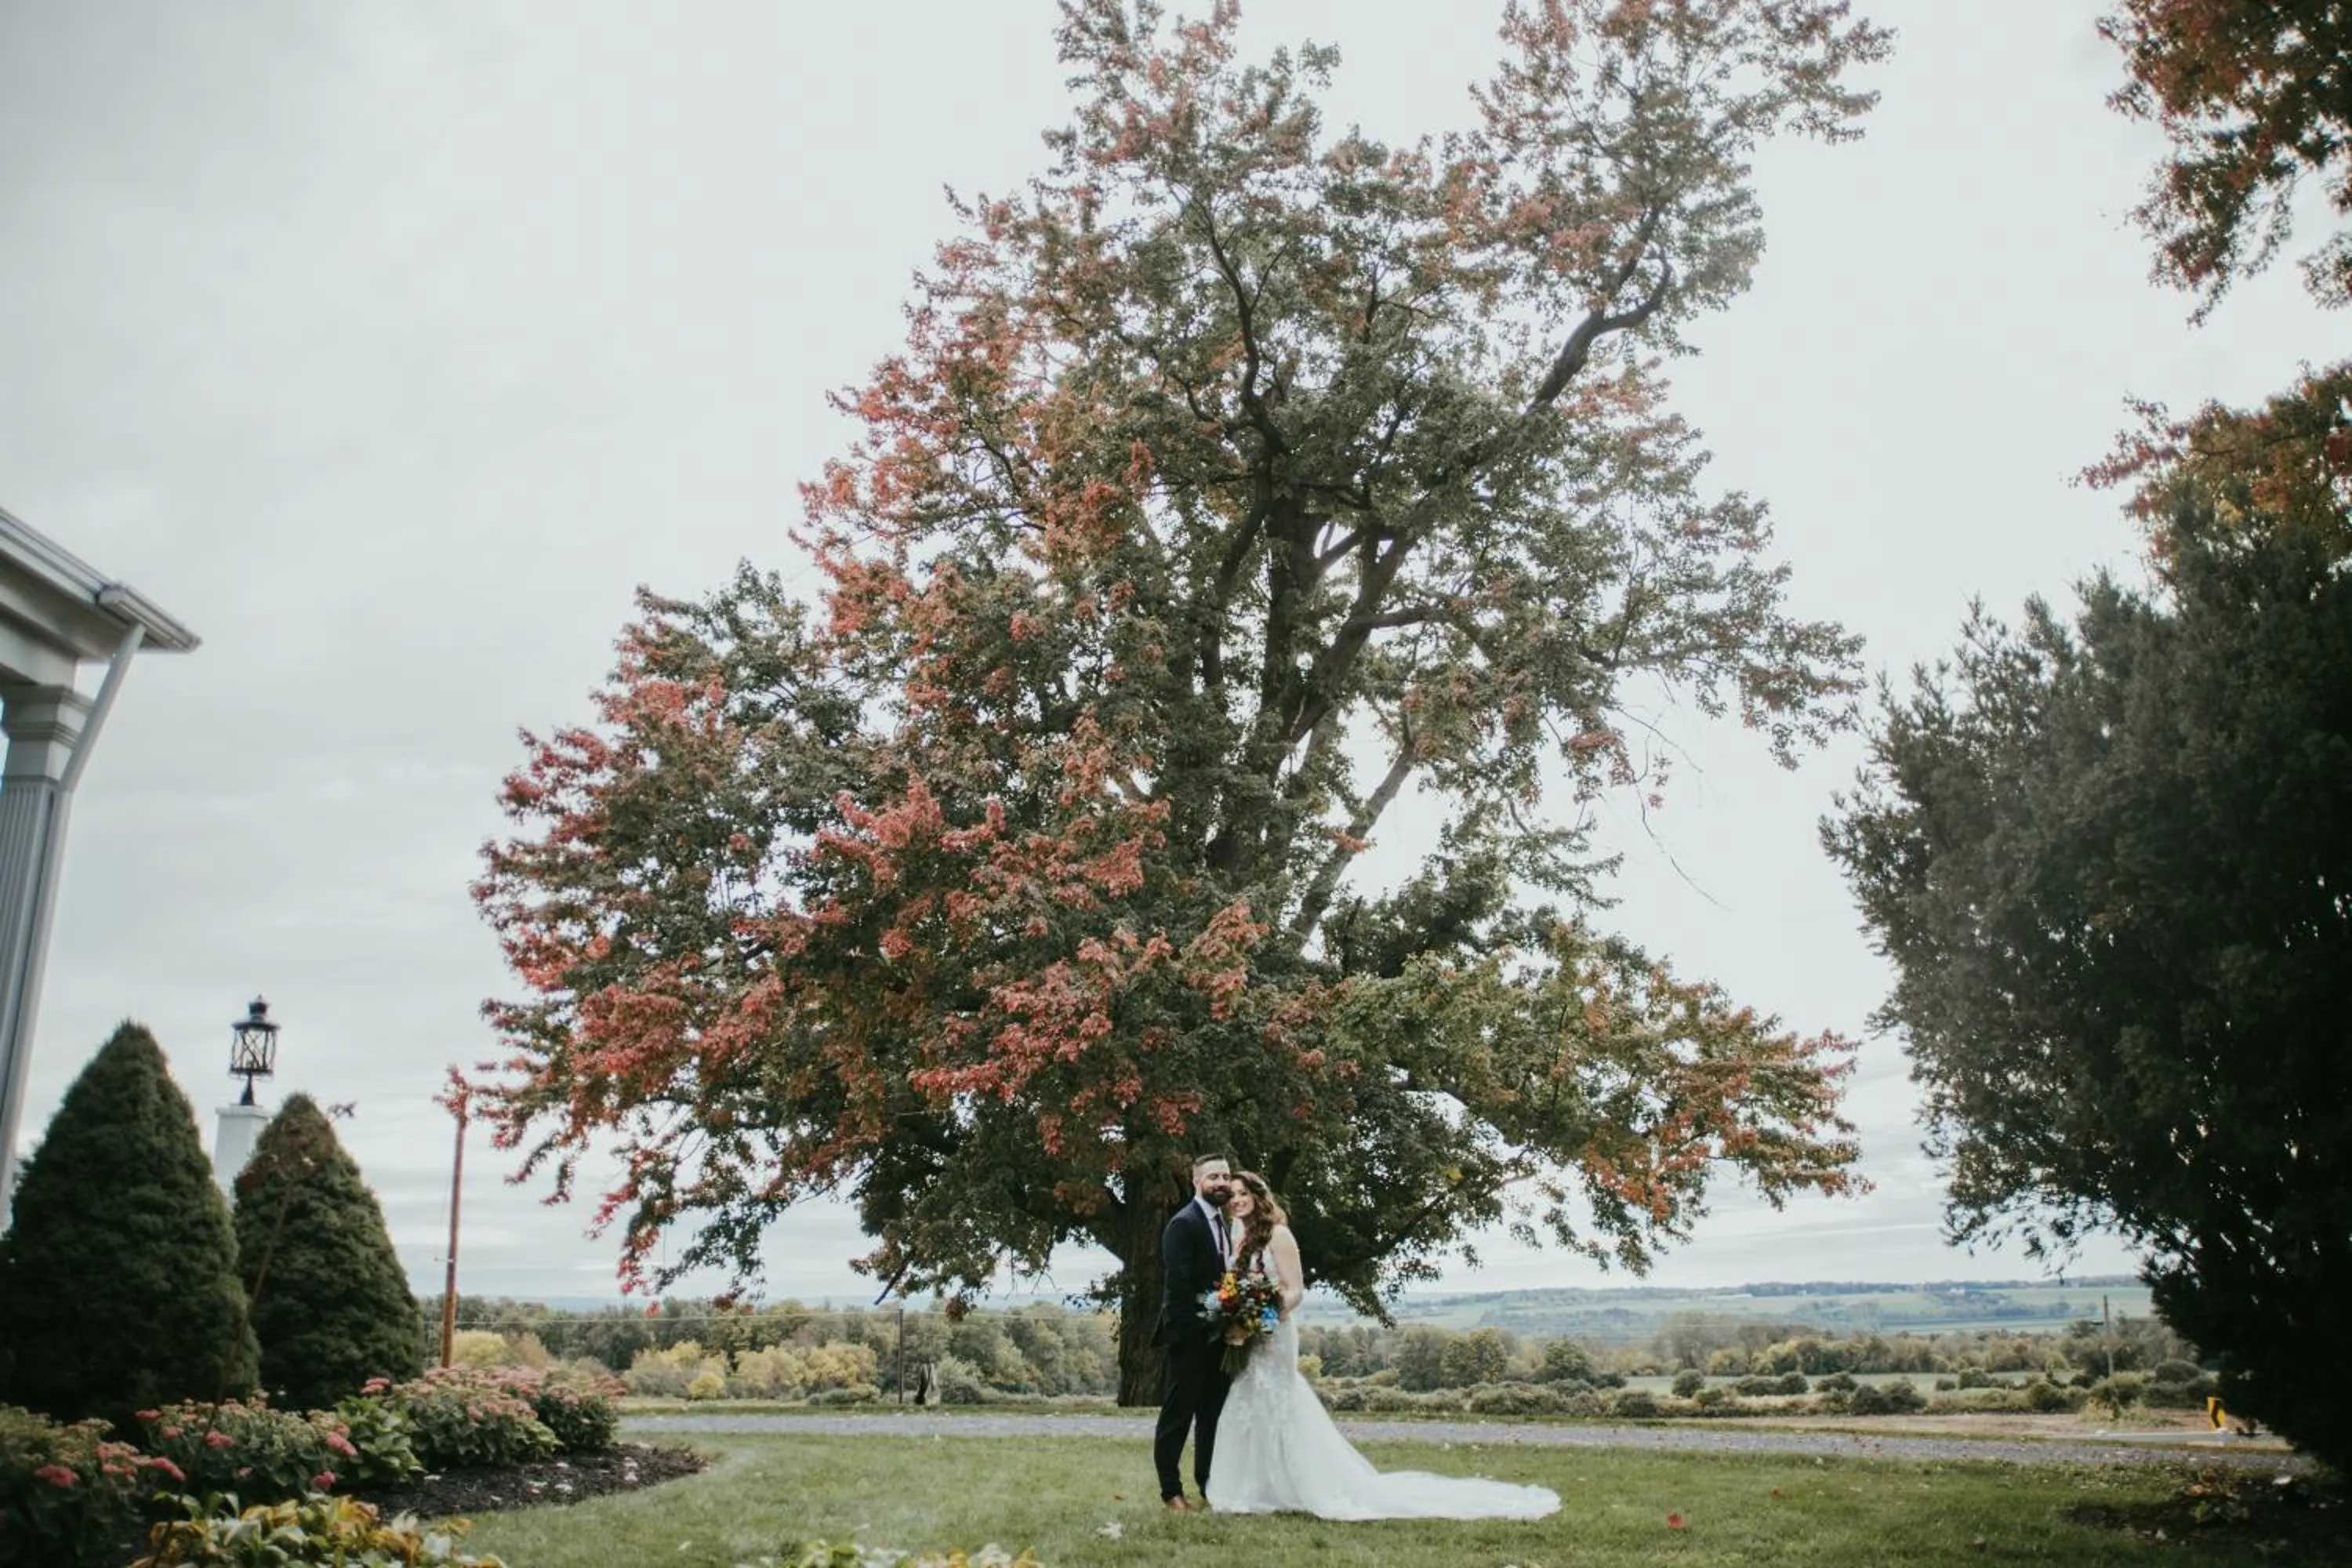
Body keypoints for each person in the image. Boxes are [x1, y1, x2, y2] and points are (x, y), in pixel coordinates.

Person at [1205, 1171, 1561, 1521]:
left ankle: (1299, 1485)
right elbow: (1238, 1286)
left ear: (1257, 1196)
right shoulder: (1239, 1235)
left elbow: (1295, 1290)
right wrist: (1238, 1320)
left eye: (1243, 1193)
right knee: (1247, 1396)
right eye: (1232, 1195)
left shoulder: (1279, 1235)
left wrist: (1260, 1320)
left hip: (1276, 1332)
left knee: (1277, 1398)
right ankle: (1253, 1489)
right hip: (1249, 1336)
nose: (1236, 1200)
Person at [1152, 1152, 1236, 1511]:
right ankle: (1171, 1492)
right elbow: (1178, 1287)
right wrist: (1194, 1334)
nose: (1220, 1183)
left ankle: (1208, 1486)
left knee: (1212, 1416)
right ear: (1196, 1181)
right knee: (1178, 1415)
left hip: (1220, 1338)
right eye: (1213, 1177)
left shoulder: (1224, 1223)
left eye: (1225, 1176)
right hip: (1190, 1338)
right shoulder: (1183, 1224)